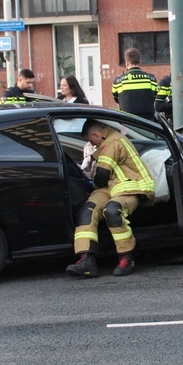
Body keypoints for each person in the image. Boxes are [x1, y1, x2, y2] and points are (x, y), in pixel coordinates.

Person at [67, 119, 156, 278]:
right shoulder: (106, 143)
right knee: (87, 212)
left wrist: (91, 182)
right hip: (112, 187)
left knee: (113, 211)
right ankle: (86, 260)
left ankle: (126, 258)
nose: (91, 144)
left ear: (96, 134)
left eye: (90, 140)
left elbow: (101, 176)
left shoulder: (112, 141)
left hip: (132, 187)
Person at [111, 48, 157, 121]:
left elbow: (116, 99)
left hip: (127, 125)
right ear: (140, 61)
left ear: (127, 62)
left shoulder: (118, 81)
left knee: (121, 132)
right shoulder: (151, 79)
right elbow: (154, 96)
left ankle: (122, 133)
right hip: (148, 124)